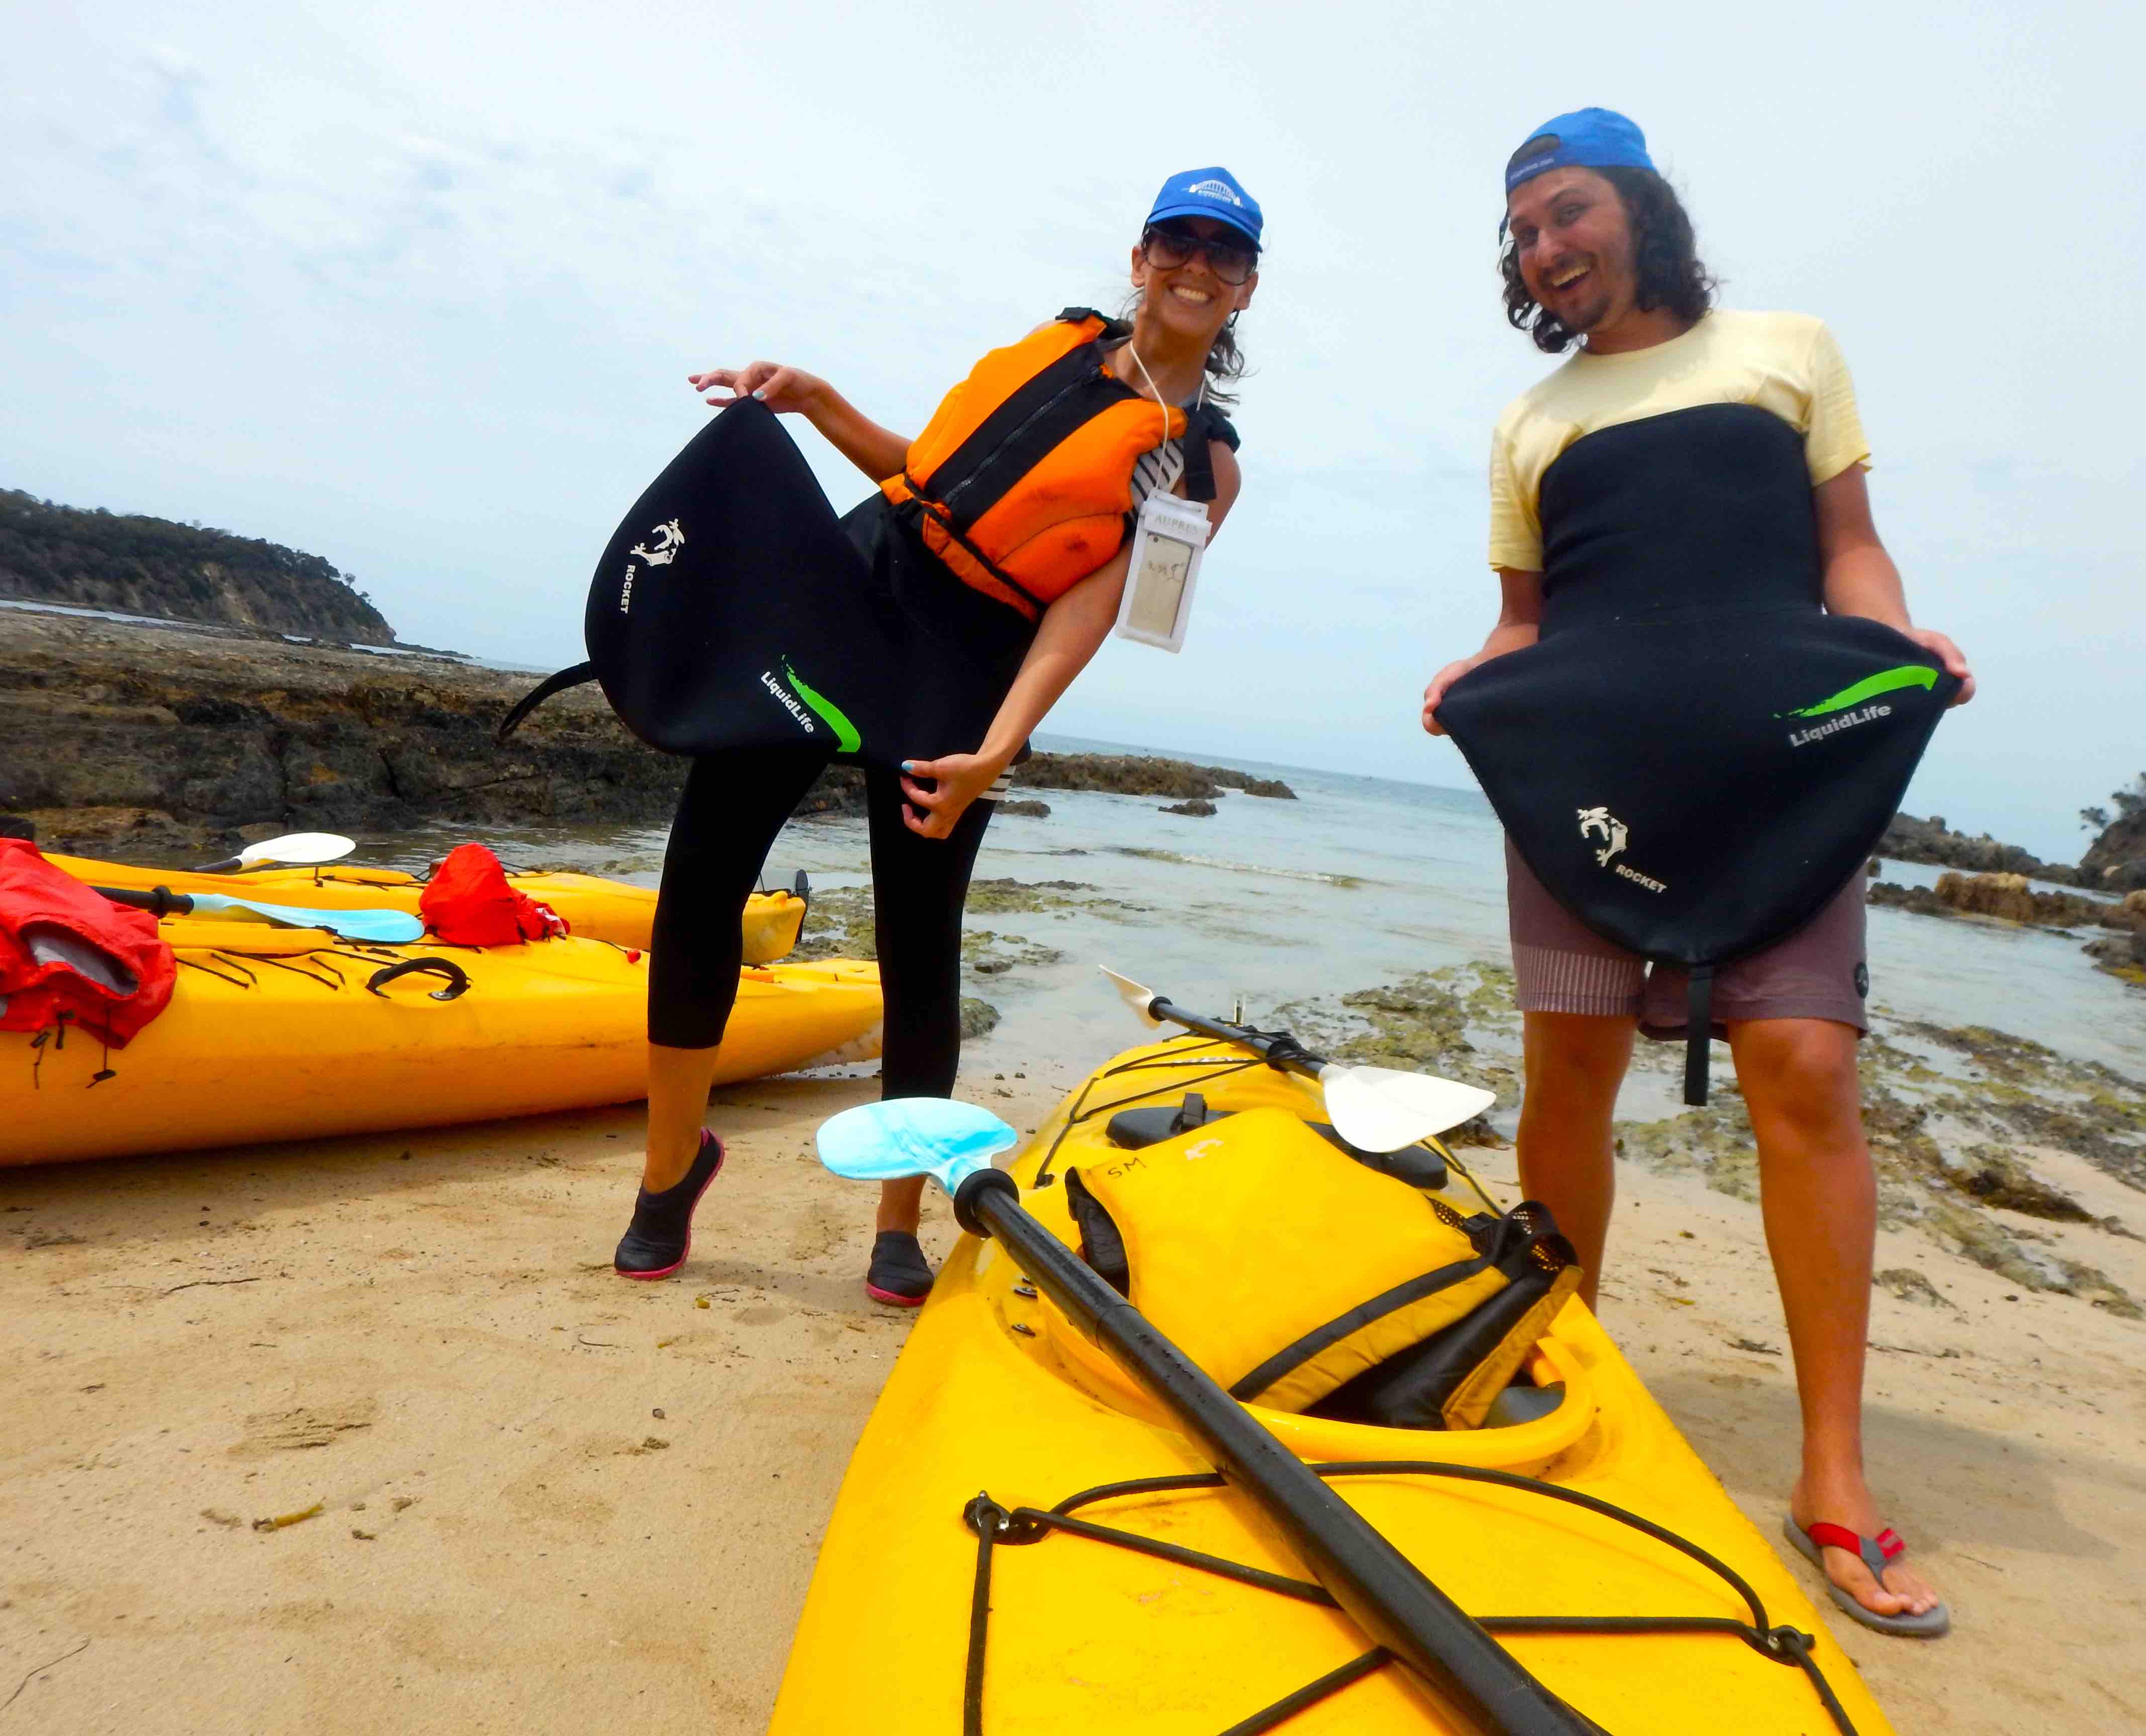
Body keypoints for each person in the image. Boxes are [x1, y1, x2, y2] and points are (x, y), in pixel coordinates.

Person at [1422, 109, 1970, 1638]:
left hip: (1770, 765)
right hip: (1591, 781)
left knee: (1803, 1069)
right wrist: (1480, 678)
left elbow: (1849, 548)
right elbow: (1530, 622)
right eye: (1523, 232)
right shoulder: (1532, 425)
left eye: (1568, 213)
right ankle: (1564, 1371)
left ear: (1641, 210)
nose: (1545, 249)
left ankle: (1836, 1477)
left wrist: (1891, 644)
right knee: (1569, 1073)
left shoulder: (1787, 351)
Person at [614, 168, 1261, 1308]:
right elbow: (931, 482)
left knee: (921, 939)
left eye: (1225, 252)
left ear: (1249, 286)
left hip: (967, 658)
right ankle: (670, 1173)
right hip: (850, 586)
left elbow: (1089, 606)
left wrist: (1000, 749)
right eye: (1178, 241)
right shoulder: (1053, 344)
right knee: (702, 872)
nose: (1195, 265)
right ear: (1140, 256)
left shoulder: (1201, 465)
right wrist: (819, 402)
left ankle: (898, 1219)